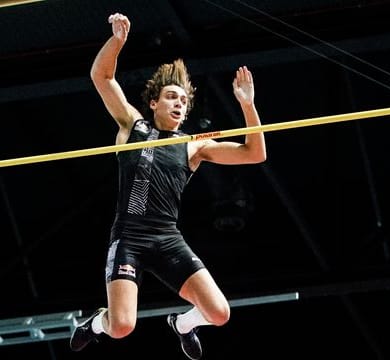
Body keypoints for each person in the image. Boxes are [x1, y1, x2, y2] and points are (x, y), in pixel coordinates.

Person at [69, 12, 266, 360]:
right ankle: (95, 323)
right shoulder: (132, 126)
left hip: (166, 238)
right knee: (121, 327)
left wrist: (248, 106)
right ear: (154, 102)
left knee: (220, 313)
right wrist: (117, 42)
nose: (179, 104)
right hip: (129, 237)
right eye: (172, 97)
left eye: (184, 101)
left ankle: (183, 324)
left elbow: (254, 153)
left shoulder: (193, 146)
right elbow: (101, 76)